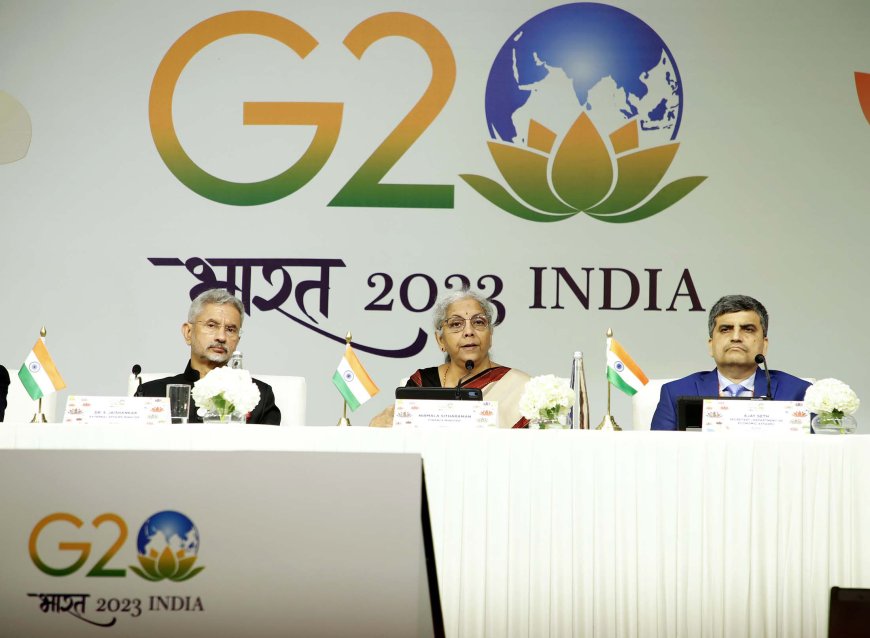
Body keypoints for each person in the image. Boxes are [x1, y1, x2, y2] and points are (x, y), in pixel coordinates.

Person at [370, 290, 530, 428]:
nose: (469, 331)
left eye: (479, 322)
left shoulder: (521, 388)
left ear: (490, 334)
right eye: (456, 324)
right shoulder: (421, 384)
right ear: (440, 340)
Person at [651, 294, 810, 430]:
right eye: (725, 329)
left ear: (765, 345)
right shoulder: (675, 393)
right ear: (711, 345)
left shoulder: (799, 393)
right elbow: (658, 453)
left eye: (748, 329)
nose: (736, 337)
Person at [137, 289, 280, 425]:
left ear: (238, 340)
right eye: (211, 325)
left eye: (231, 329)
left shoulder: (257, 396)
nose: (221, 337)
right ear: (188, 332)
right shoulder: (151, 394)